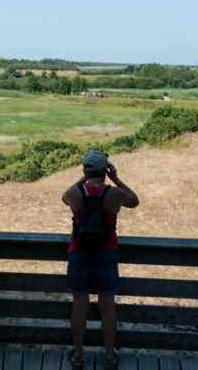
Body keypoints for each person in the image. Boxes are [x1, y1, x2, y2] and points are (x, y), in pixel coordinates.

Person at [62, 150, 139, 370]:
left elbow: (63, 196)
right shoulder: (114, 194)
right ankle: (108, 356)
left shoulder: (75, 193)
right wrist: (115, 178)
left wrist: (83, 178)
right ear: (105, 170)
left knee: (79, 306)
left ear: (85, 170)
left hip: (79, 253)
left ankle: (77, 355)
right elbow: (134, 201)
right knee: (107, 306)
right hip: (106, 253)